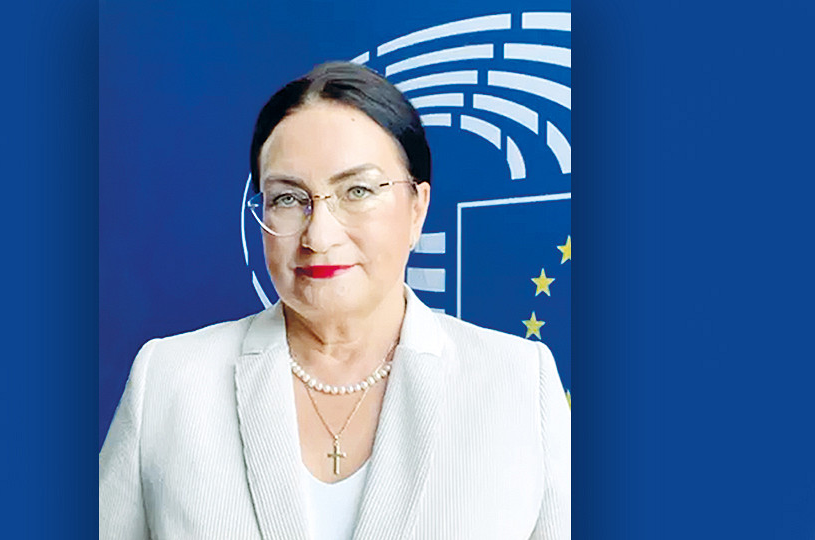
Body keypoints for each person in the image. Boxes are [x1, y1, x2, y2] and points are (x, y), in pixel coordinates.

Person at [99, 61, 570, 539]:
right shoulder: (170, 381)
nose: (319, 237)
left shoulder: (516, 383)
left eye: (357, 191)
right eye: (287, 198)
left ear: (417, 208)